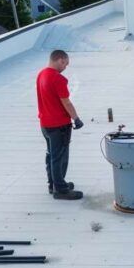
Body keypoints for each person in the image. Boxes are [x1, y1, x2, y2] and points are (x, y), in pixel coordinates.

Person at [36, 49, 83, 201]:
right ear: (60, 60)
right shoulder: (58, 79)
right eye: (66, 64)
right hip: (59, 126)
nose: (65, 67)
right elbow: (66, 102)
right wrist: (76, 118)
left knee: (51, 155)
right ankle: (61, 190)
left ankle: (54, 184)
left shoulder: (41, 75)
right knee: (60, 157)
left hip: (45, 124)